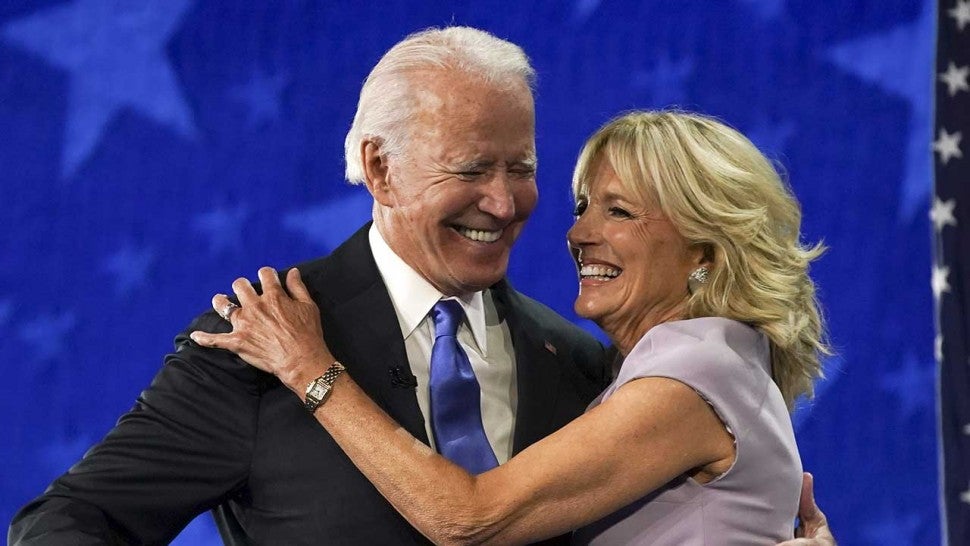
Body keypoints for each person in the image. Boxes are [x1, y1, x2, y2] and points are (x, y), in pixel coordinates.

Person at [9, 27, 832, 545]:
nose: (505, 204)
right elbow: (70, 523)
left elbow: (479, 517)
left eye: (521, 169)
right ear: (380, 169)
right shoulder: (260, 341)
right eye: (471, 169)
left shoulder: (583, 365)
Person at [189, 110, 832, 545]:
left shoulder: (693, 374)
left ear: (704, 250)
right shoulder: (693, 364)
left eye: (619, 212)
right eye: (584, 206)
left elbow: (468, 518)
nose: (578, 233)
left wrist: (309, 368)